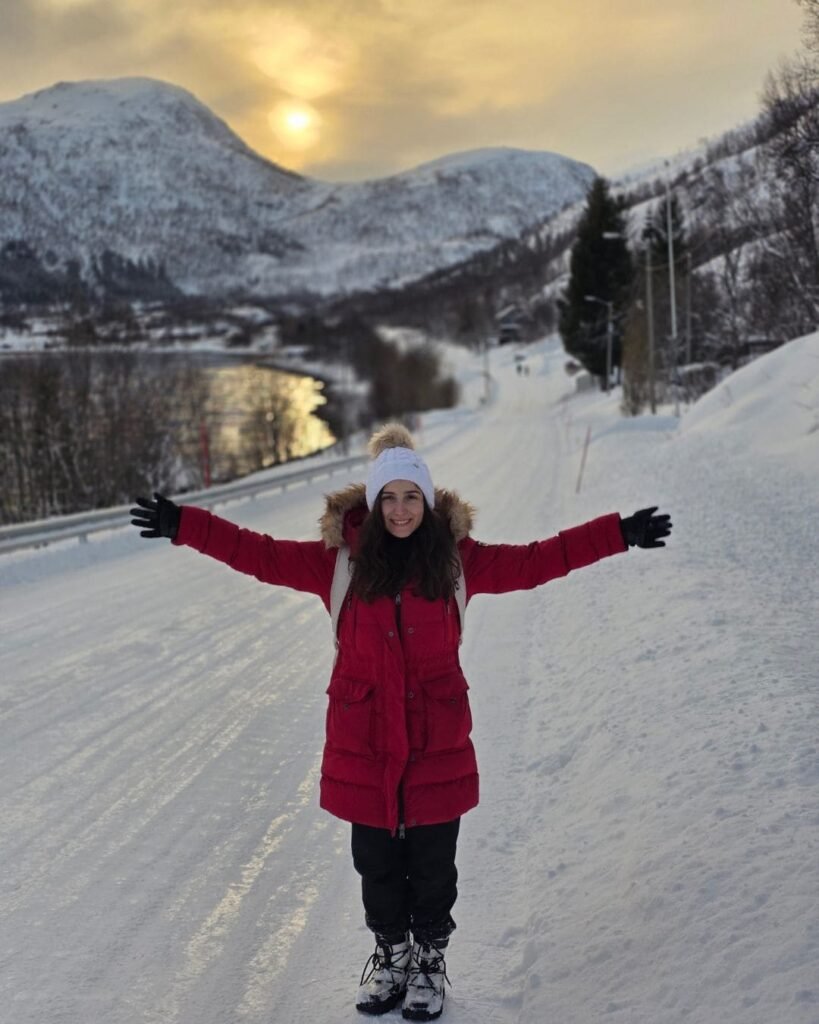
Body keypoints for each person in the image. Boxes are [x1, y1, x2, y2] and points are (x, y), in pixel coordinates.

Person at [129, 422, 672, 1021]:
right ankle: (390, 955)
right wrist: (185, 525)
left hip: (437, 743)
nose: (400, 509)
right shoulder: (338, 566)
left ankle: (429, 962)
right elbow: (257, 554)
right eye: (388, 497)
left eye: (411, 496)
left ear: (429, 500)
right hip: (363, 744)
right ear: (373, 502)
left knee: (434, 865)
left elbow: (541, 560)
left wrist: (618, 534)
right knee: (377, 865)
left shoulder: (459, 563)